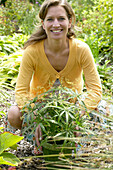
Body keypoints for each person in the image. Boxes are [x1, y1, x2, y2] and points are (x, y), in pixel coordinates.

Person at [7, 0, 102, 154]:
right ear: (43, 24)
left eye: (61, 19)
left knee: (104, 111)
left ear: (70, 22)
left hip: (72, 108)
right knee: (13, 113)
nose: (56, 24)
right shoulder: (32, 52)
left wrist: (76, 114)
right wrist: (36, 117)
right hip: (40, 109)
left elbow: (96, 90)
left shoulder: (81, 49)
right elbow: (21, 91)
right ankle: (39, 140)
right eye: (50, 19)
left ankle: (76, 142)